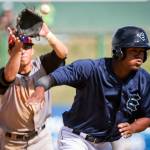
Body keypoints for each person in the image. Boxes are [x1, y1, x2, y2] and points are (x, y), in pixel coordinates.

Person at [29, 26, 150, 150]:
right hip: (76, 139)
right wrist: (40, 89)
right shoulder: (91, 69)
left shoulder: (144, 80)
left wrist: (133, 127)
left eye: (142, 51)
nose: (139, 55)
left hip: (106, 143)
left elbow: (147, 116)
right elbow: (52, 78)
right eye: (134, 50)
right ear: (119, 51)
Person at [0, 20, 68, 149]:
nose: (23, 50)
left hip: (41, 139)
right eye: (16, 48)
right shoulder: (4, 73)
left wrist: (48, 34)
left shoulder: (42, 65)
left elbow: (63, 53)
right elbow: (9, 76)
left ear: (32, 50)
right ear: (10, 53)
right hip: (11, 143)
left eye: (27, 47)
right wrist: (18, 48)